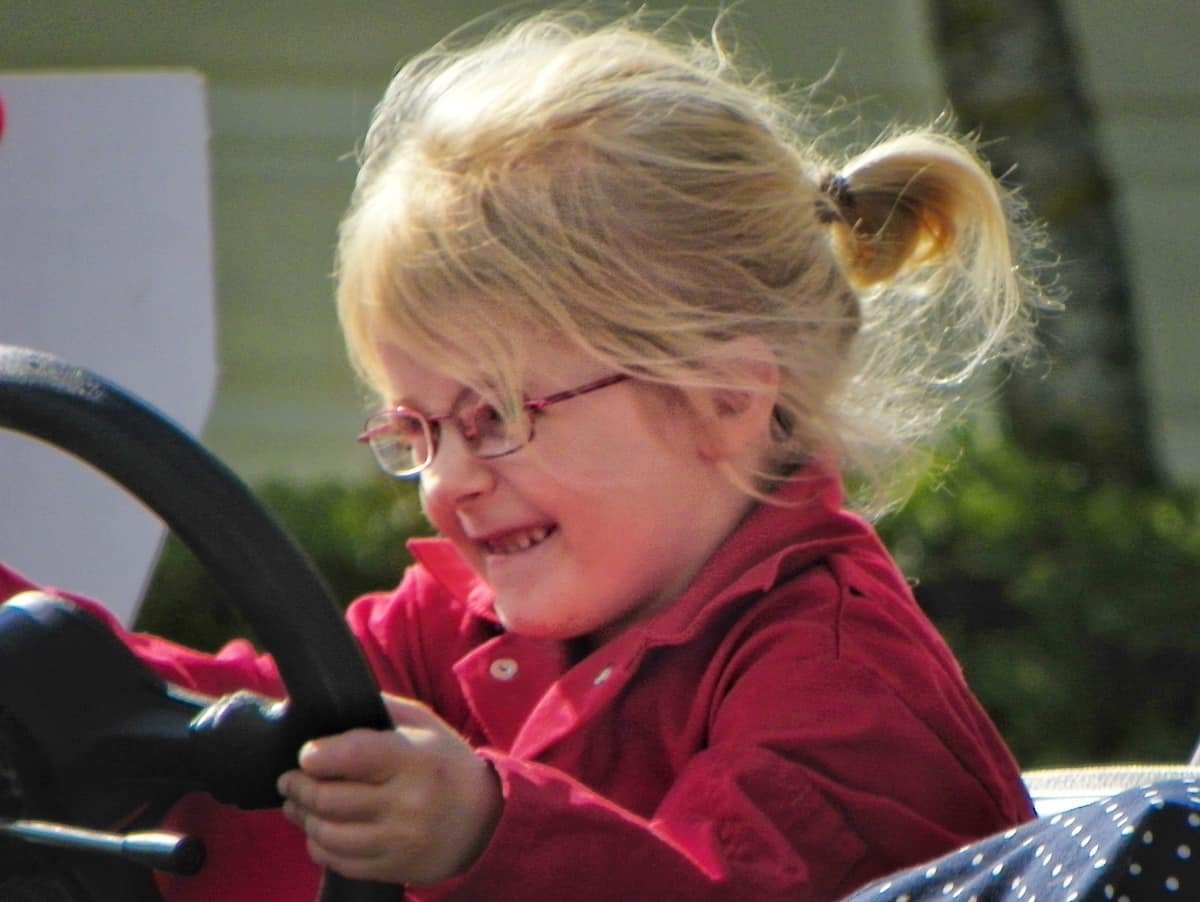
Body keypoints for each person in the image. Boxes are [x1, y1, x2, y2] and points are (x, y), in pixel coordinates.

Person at [0, 9, 1051, 901]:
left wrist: (485, 832)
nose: (449, 482)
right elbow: (235, 729)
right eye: (417, 430)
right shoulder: (469, 625)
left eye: (496, 414)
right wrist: (47, 669)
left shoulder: (841, 689)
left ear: (724, 400)